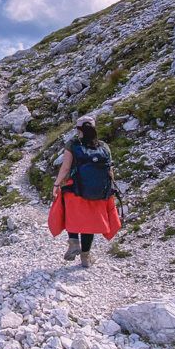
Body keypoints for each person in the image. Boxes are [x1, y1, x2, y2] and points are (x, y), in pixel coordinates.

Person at [47, 114, 121, 268]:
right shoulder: (104, 147)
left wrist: (56, 184)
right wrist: (110, 189)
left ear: (78, 130)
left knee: (72, 216)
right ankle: (85, 257)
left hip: (76, 188)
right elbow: (109, 170)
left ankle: (73, 242)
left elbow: (66, 167)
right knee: (89, 223)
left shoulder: (73, 144)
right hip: (97, 191)